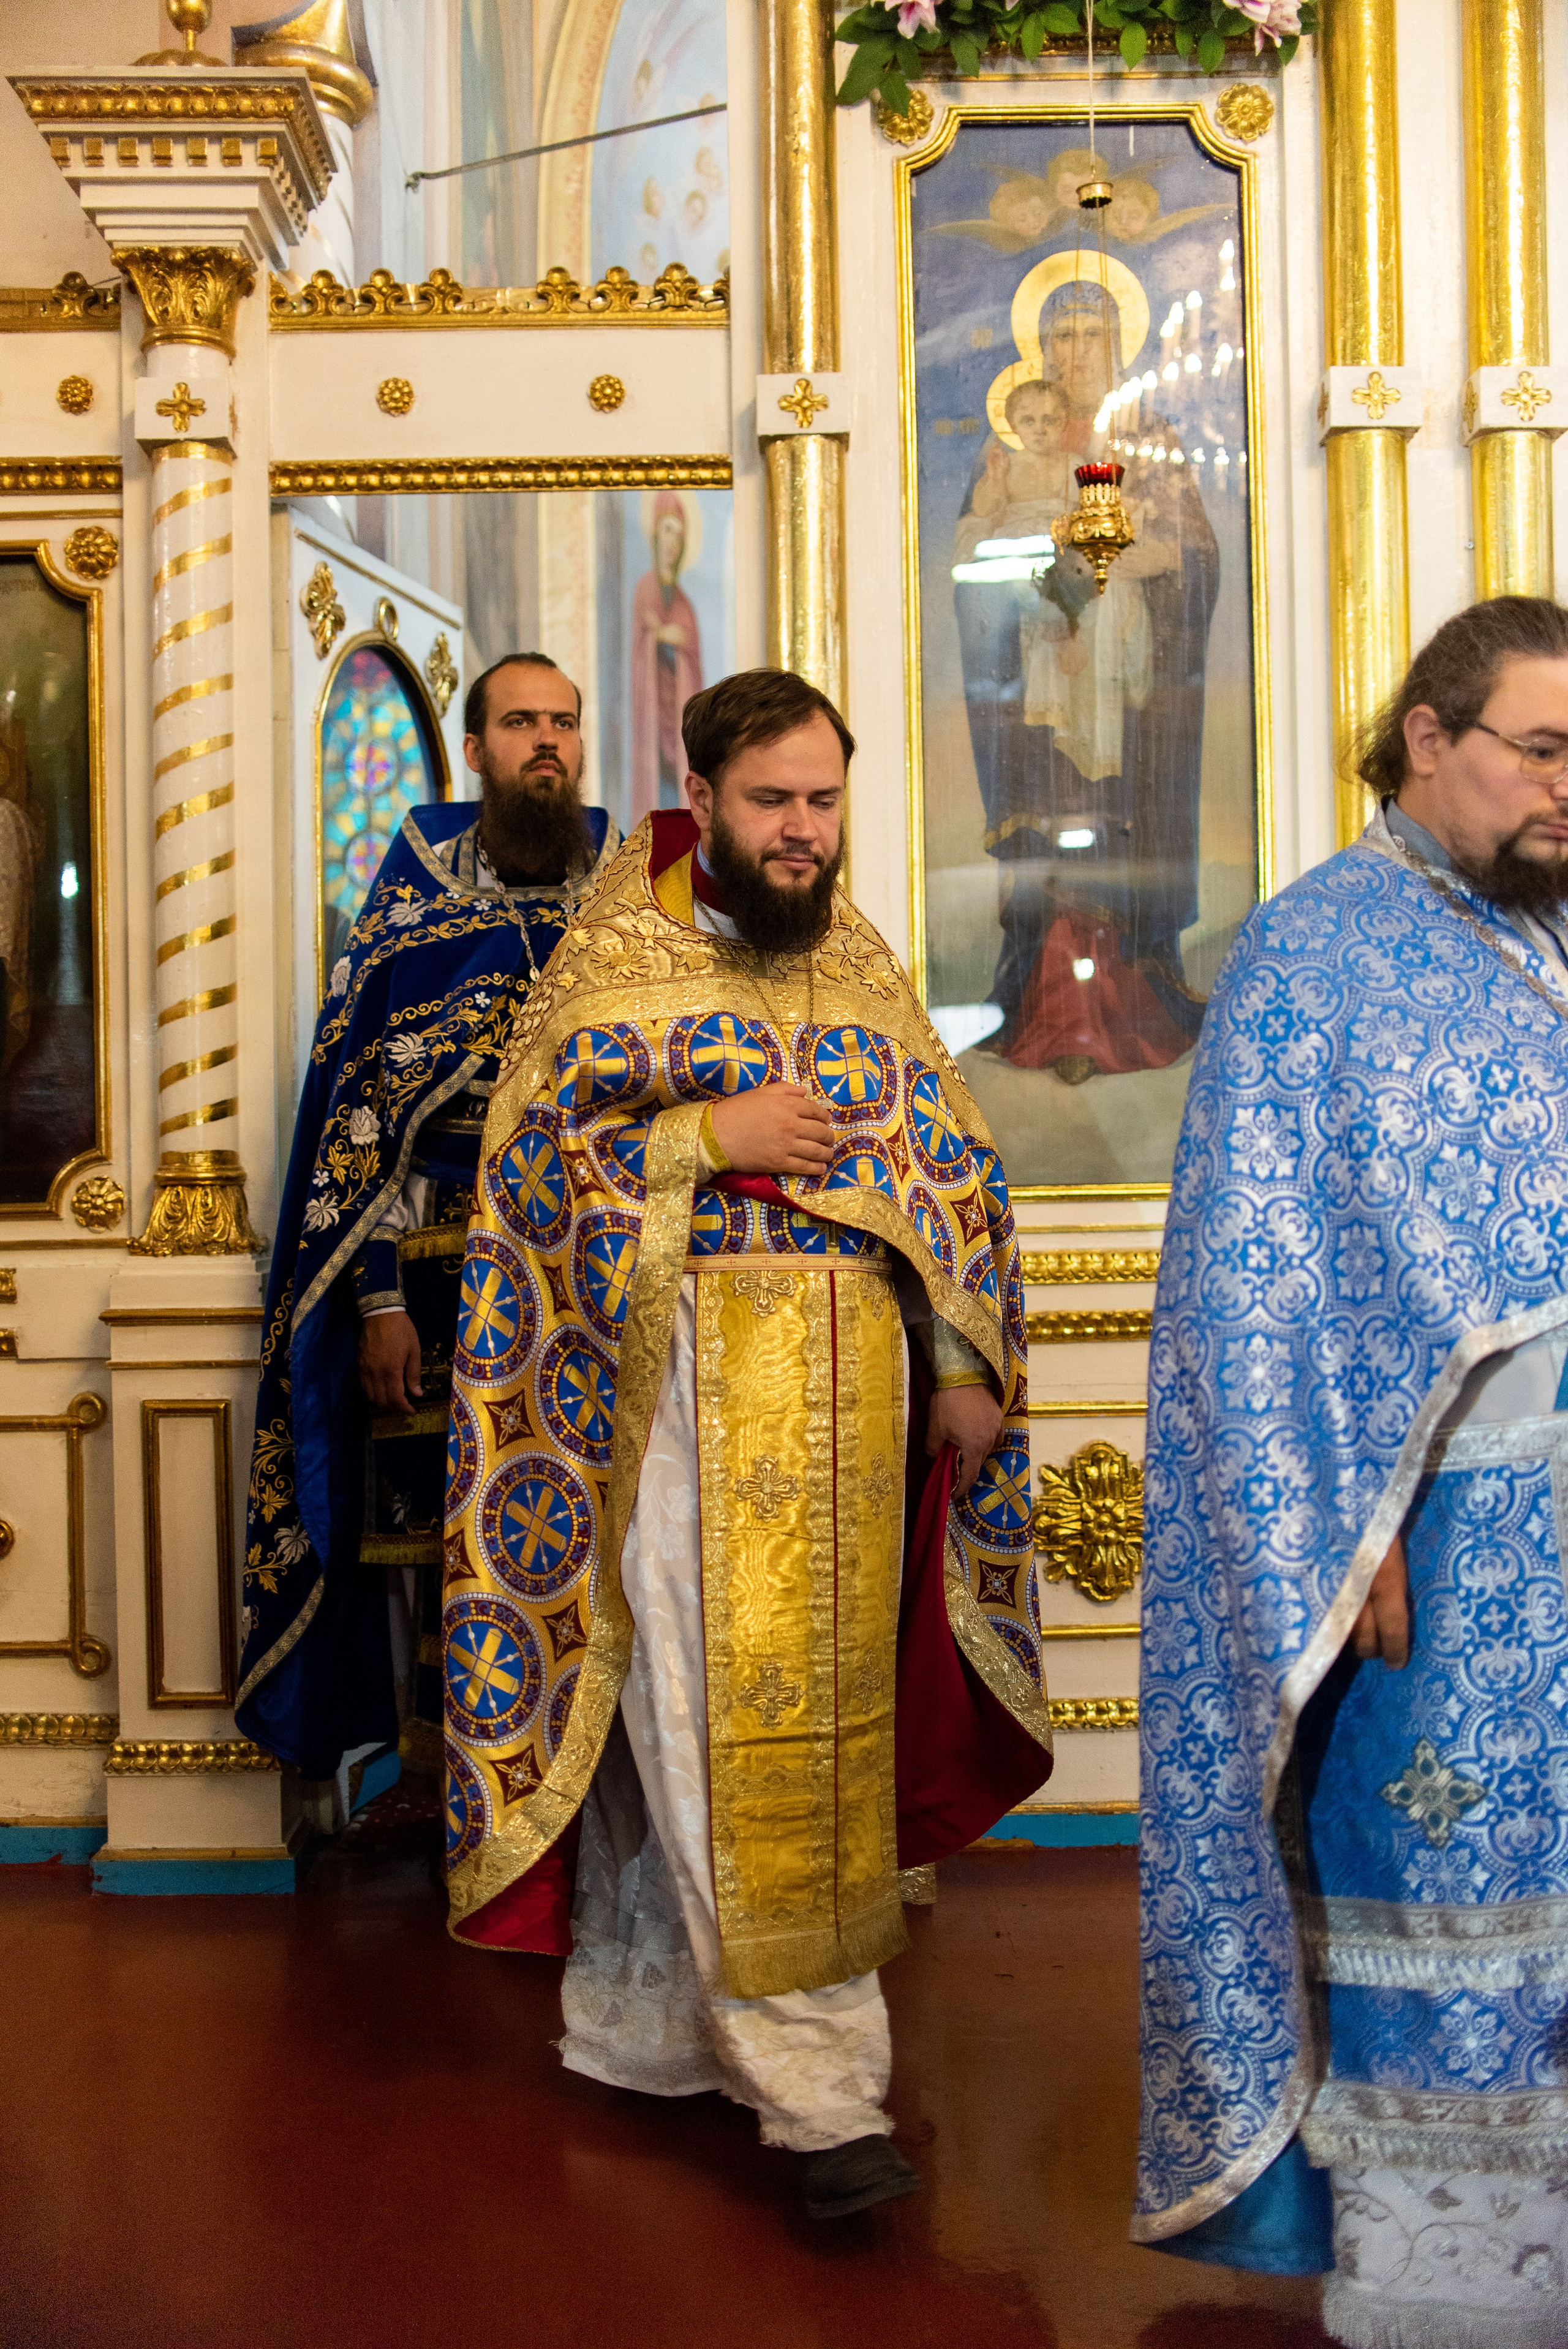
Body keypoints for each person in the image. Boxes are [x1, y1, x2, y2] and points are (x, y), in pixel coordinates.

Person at [442, 666, 1052, 2217]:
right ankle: (817, 2092)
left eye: (823, 801)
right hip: (677, 1377)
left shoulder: (849, 947)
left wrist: (962, 1345)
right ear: (698, 795)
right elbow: (527, 1170)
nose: (800, 832)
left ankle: (652, 2022)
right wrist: (702, 1137)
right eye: (771, 800)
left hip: (855, 1379)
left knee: (795, 1722)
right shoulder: (614, 945)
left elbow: (946, 1158)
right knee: (714, 1706)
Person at [1134, 597, 1568, 2348]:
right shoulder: (1316, 954)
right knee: (1443, 1883)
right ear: (1426, 738)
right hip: (1438, 1537)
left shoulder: (1549, 940)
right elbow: (1250, 1288)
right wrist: (1333, 1531)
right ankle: (1451, 2287)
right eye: (1542, 751)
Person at [237, 654, 620, 1789]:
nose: (545, 741)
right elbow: (359, 1131)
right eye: (520, 723)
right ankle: (438, 1771)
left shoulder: (629, 907)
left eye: (564, 720)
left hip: (585, 1262)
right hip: (440, 1268)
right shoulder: (411, 916)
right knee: (433, 1531)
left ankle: (579, 1772)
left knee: (580, 1518)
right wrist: (381, 1304)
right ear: (476, 749)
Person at [956, 282, 1216, 1080]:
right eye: (1059, 335)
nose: (1074, 351)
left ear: (1118, 343)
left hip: (1126, 684)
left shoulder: (1151, 435)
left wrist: (1129, 561)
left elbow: (1192, 555)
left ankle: (1126, 1006)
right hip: (1041, 674)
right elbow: (971, 552)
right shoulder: (1013, 444)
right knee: (1054, 832)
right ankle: (1053, 1010)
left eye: (1090, 334)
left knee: (1116, 826)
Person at [630, 490, 703, 820]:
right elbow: (640, 642)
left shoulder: (686, 603)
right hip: (652, 713)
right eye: (667, 531)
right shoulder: (645, 588)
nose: (673, 542)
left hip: (678, 715)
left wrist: (675, 643)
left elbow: (693, 664)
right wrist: (659, 637)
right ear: (655, 536)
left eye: (679, 534)